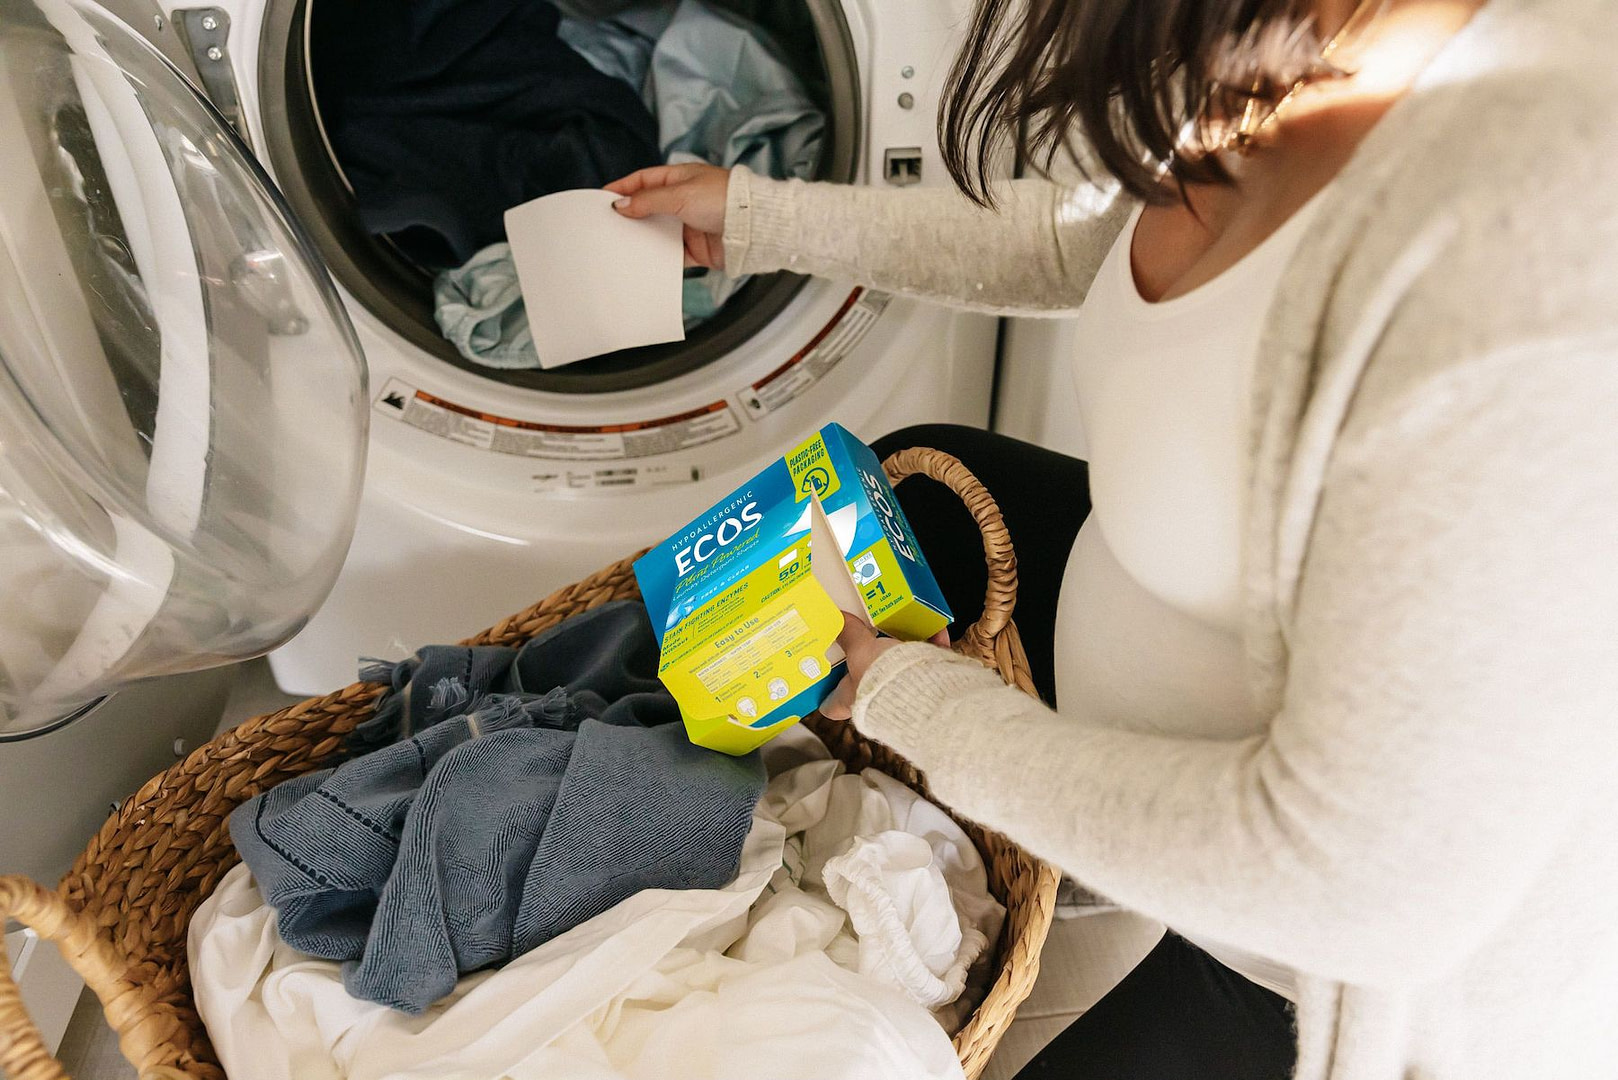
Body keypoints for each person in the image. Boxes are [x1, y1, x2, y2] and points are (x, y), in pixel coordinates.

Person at [607, 0, 1618, 1075]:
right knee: (929, 487)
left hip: (1301, 959)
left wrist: (927, 710)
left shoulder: (1537, 263)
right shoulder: (1286, 48)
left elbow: (1361, 893)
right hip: (1163, 669)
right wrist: (763, 218)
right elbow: (1086, 241)